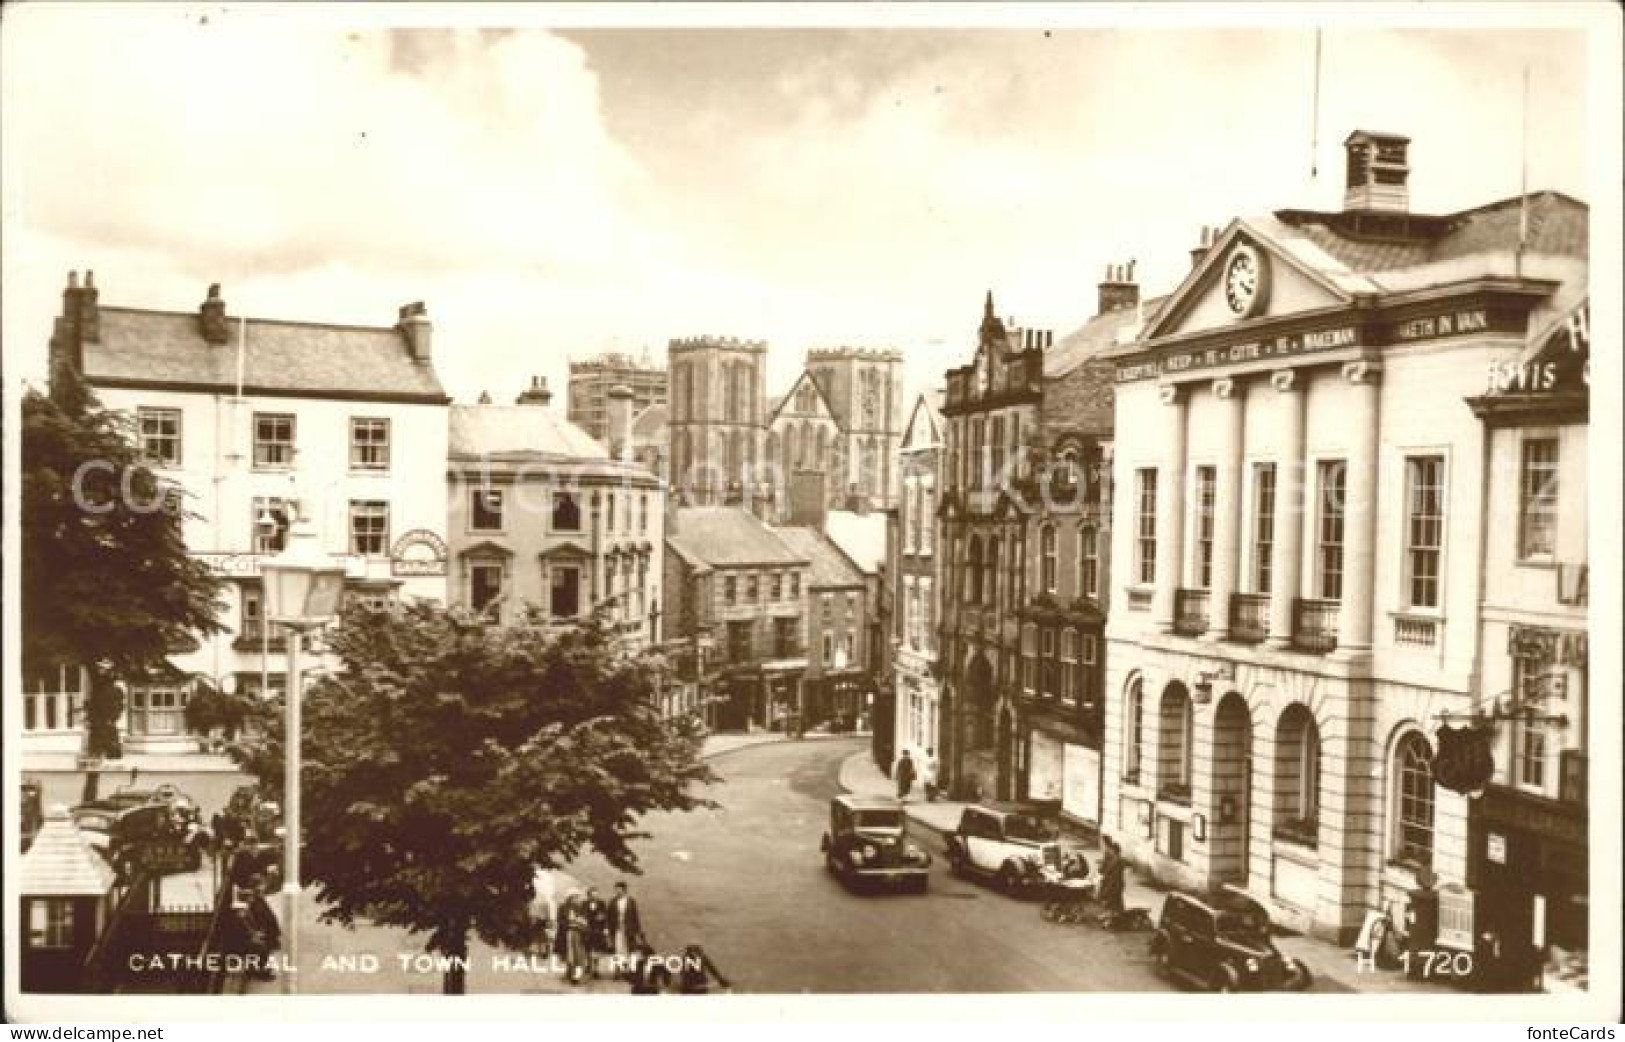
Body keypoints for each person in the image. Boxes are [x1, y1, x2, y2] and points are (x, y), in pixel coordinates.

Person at [609, 881, 644, 962]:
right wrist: (608, 928)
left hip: (629, 929)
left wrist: (637, 930)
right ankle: (619, 968)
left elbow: (635, 916)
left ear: (624, 890)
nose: (617, 891)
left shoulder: (631, 901)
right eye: (616, 889)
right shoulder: (613, 902)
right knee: (618, 947)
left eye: (619, 889)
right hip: (617, 928)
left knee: (630, 948)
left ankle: (630, 968)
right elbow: (609, 916)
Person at [560, 891, 590, 984]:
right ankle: (570, 973)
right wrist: (569, 923)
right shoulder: (563, 907)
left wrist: (579, 923)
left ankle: (577, 976)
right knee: (569, 954)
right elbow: (561, 920)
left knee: (578, 955)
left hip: (579, 933)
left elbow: (585, 921)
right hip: (568, 932)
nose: (576, 899)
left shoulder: (581, 908)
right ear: (570, 898)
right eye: (574, 897)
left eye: (577, 897)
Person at [583, 887, 610, 977]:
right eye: (592, 895)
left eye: (596, 894)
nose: (594, 896)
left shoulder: (601, 903)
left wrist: (605, 927)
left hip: (598, 929)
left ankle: (596, 969)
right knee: (588, 948)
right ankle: (589, 965)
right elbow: (582, 915)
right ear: (589, 895)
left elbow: (605, 916)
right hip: (588, 929)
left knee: (597, 949)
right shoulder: (584, 903)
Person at [1097, 836, 1125, 916]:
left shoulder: (1117, 860)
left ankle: (1115, 916)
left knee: (1113, 900)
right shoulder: (1117, 859)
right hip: (1115, 884)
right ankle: (1118, 915)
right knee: (1116, 901)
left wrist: (1108, 884)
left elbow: (1112, 874)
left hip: (1114, 884)